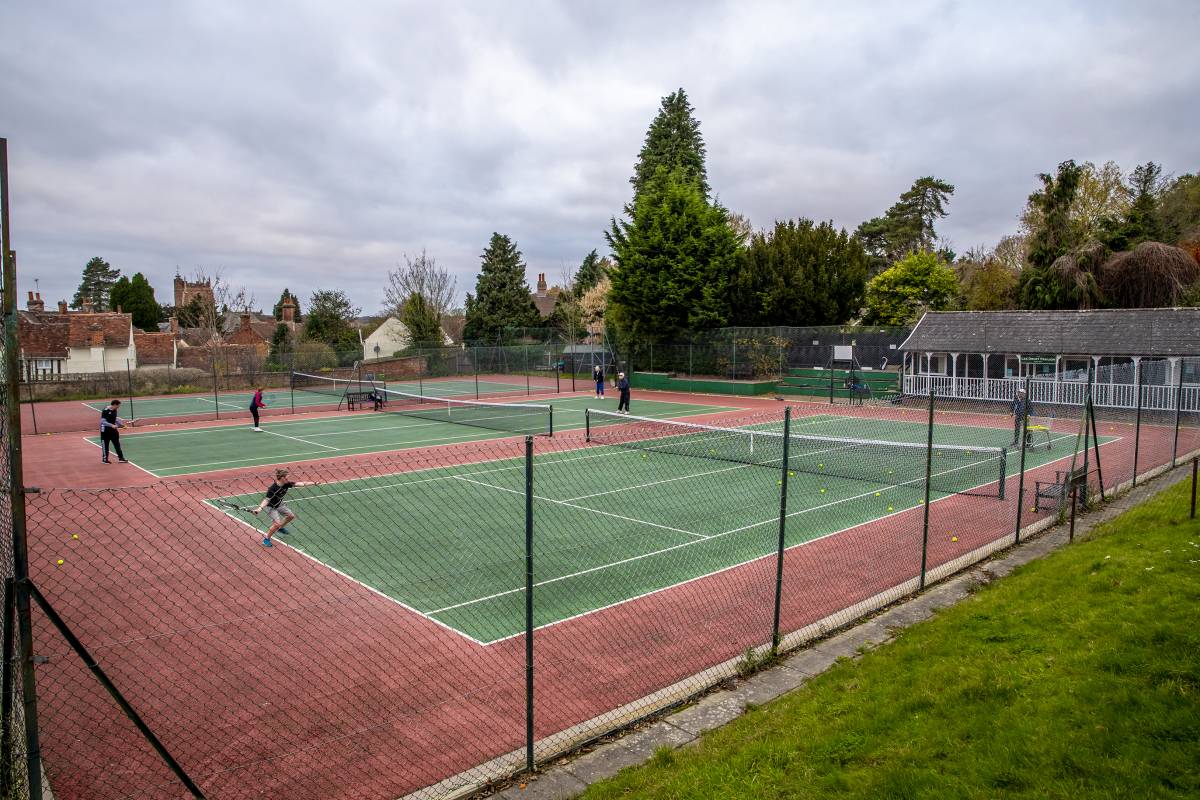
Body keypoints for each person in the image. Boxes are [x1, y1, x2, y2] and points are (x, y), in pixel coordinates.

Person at [253, 468, 315, 548]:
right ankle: (266, 539)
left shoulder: (286, 484)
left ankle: (280, 528)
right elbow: (266, 500)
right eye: (286, 477)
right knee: (276, 523)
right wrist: (259, 509)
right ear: (281, 478)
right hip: (271, 507)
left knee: (291, 516)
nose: (287, 479)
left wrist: (314, 483)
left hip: (280, 504)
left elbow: (300, 484)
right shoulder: (273, 488)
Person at [99, 399, 130, 464]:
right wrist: (111, 425)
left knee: (117, 445)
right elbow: (102, 421)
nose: (119, 407)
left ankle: (121, 458)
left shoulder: (115, 410)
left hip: (113, 431)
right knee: (105, 446)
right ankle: (105, 460)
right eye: (118, 406)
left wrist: (121, 425)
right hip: (105, 431)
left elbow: (115, 419)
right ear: (115, 404)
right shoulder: (105, 411)